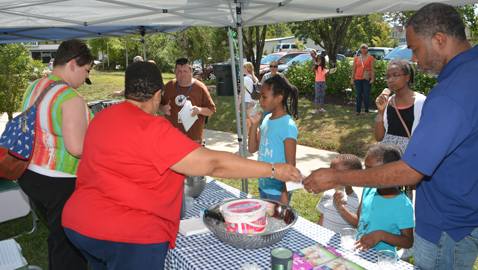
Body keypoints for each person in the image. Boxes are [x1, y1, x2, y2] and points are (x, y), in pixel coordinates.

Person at [61, 61, 302, 270]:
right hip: (129, 235)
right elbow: (213, 164)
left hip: (78, 224)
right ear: (158, 96)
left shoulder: (103, 116)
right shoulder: (152, 128)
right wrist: (274, 169)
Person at [303, 3, 478, 269]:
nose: (414, 59)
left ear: (439, 39)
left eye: (416, 49)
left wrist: (336, 176)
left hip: (446, 226)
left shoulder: (450, 94)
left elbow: (408, 172)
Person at [17, 38, 94, 270]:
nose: (86, 79)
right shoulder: (69, 97)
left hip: (29, 174)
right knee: (71, 246)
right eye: (86, 71)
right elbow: (77, 148)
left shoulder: (34, 86)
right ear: (73, 64)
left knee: (57, 235)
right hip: (59, 182)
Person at [375, 58, 426, 260]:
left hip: (408, 158)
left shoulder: (421, 101)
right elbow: (379, 136)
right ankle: (383, 235)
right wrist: (380, 111)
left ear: (407, 76)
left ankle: (407, 241)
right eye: (388, 76)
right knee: (385, 198)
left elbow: (424, 135)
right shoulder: (388, 103)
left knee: (405, 201)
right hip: (387, 158)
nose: (390, 80)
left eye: (395, 75)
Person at [336, 145, 414, 253]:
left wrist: (382, 235)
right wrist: (342, 209)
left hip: (382, 259)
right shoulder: (368, 189)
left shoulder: (403, 205)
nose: (366, 174)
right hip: (360, 254)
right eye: (366, 168)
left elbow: (408, 241)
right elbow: (360, 222)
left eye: (371, 170)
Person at [247, 75, 299, 205]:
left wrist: (284, 195)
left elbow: (291, 167)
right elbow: (252, 148)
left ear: (278, 98)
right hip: (263, 186)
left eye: (264, 96)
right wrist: (254, 124)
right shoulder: (266, 119)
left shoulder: (287, 125)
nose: (260, 100)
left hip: (278, 192)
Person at [158, 58, 215, 144]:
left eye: (185, 71)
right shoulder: (169, 86)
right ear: (175, 72)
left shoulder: (200, 87)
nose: (182, 74)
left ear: (191, 71)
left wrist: (199, 110)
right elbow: (158, 104)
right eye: (179, 71)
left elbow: (211, 110)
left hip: (194, 139)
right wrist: (163, 108)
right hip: (172, 139)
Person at [316, 154, 362, 234]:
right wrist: (316, 234)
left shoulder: (356, 201)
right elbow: (322, 217)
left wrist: (342, 209)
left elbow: (358, 224)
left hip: (342, 243)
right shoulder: (327, 194)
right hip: (324, 240)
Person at [350, 43, 374, 116]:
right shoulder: (356, 58)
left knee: (366, 95)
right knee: (358, 95)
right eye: (362, 48)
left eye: (365, 48)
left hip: (366, 78)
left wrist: (372, 78)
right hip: (358, 79)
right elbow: (354, 69)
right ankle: (358, 111)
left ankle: (366, 111)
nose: (363, 49)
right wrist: (352, 79)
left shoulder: (370, 58)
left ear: (367, 49)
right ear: (360, 49)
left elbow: (372, 69)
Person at [239, 61, 259, 136]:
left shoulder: (245, 79)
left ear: (246, 68)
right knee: (251, 122)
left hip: (247, 102)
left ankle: (248, 139)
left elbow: (242, 93)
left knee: (248, 123)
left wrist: (238, 103)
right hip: (255, 102)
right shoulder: (255, 78)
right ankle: (255, 138)